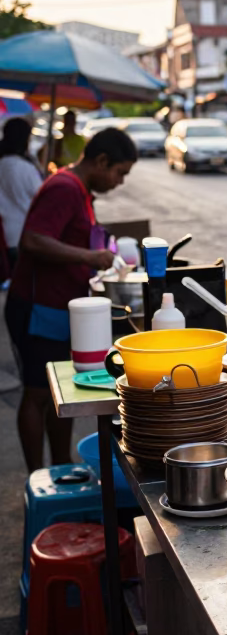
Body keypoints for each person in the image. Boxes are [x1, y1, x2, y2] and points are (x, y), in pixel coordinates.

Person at [6, 126, 137, 470]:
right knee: (37, 394)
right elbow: (33, 240)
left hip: (62, 309)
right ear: (102, 160)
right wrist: (89, 257)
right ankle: (37, 476)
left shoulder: (80, 191)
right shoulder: (63, 188)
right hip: (38, 307)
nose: (119, 182)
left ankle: (61, 464)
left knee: (57, 393)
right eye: (119, 173)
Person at [0, 117, 42, 271]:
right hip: (22, 236)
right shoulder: (25, 168)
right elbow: (42, 196)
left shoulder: (3, 162)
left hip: (4, 236)